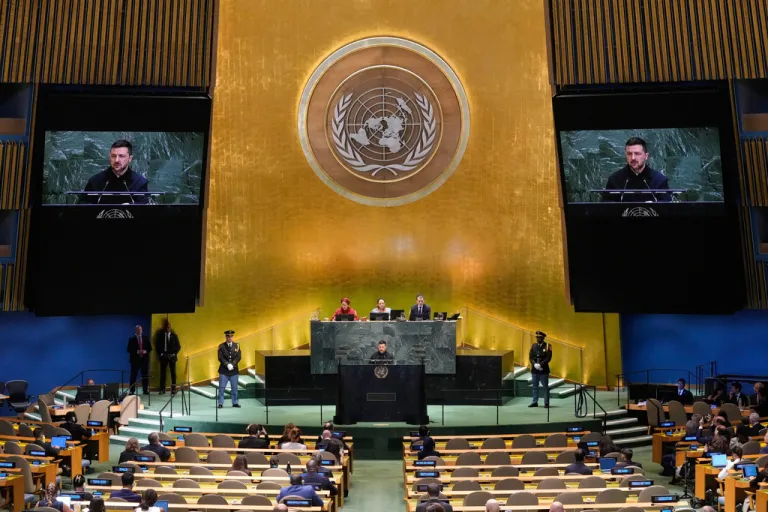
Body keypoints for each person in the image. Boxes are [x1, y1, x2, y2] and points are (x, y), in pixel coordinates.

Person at [601, 137, 670, 203]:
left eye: (637, 153)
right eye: (629, 154)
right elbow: (606, 206)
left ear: (646, 156)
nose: (633, 158)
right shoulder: (614, 179)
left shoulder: (659, 180)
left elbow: (667, 206)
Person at [82, 139, 149, 204]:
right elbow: (83, 204)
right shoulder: (95, 181)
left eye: (121, 156)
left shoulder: (139, 182)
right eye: (113, 156)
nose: (116, 160)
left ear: (130, 158)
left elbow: (143, 205)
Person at [154, 320, 181, 395]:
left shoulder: (174, 336)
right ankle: (162, 389)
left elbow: (178, 347)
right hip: (163, 356)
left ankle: (173, 389)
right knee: (163, 374)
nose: (168, 328)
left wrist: (174, 354)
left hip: (172, 356)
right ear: (165, 328)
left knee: (173, 374)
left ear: (170, 327)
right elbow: (157, 346)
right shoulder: (161, 335)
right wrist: (161, 354)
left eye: (169, 327)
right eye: (167, 327)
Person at [217, 330, 241, 408]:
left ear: (233, 337)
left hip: (234, 371)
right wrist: (227, 364)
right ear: (226, 337)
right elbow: (220, 357)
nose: (229, 337)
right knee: (221, 388)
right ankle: (220, 403)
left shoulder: (237, 345)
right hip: (224, 370)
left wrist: (233, 364)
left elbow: (238, 356)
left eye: (231, 336)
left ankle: (235, 402)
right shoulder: (221, 346)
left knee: (234, 388)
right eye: (228, 336)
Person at [528, 330, 552, 408]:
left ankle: (546, 402)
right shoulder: (534, 346)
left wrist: (541, 364)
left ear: (543, 338)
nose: (538, 339)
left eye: (540, 338)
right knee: (535, 386)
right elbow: (531, 356)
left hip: (543, 370)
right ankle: (535, 402)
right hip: (535, 370)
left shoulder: (548, 346)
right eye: (537, 337)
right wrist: (534, 364)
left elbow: (548, 357)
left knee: (545, 387)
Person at [127, 325, 152, 395]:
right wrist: (137, 352)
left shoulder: (145, 338)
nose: (139, 331)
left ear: (142, 330)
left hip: (144, 360)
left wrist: (145, 351)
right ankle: (132, 390)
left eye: (140, 330)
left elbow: (150, 348)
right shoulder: (132, 339)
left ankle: (145, 390)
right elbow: (128, 349)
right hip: (135, 360)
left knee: (145, 375)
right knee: (133, 375)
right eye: (138, 330)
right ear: (136, 330)